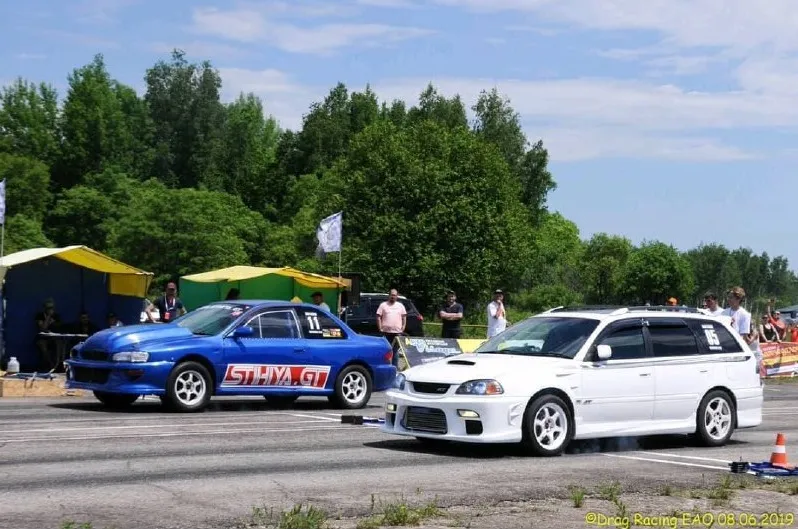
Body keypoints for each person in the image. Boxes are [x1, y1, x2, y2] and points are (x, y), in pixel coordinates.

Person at [722, 287, 760, 370]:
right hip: (724, 347)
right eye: (728, 297)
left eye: (731, 297)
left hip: (736, 348)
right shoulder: (724, 312)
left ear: (738, 299)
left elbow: (744, 337)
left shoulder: (745, 314)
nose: (729, 299)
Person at [376, 289, 406, 364]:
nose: (393, 296)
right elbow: (378, 316)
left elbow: (404, 317)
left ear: (397, 296)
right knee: (385, 351)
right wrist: (380, 328)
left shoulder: (400, 306)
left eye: (394, 295)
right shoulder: (383, 305)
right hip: (385, 332)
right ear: (389, 295)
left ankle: (394, 369)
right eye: (392, 295)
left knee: (395, 352)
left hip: (397, 333)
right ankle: (385, 367)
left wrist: (403, 326)